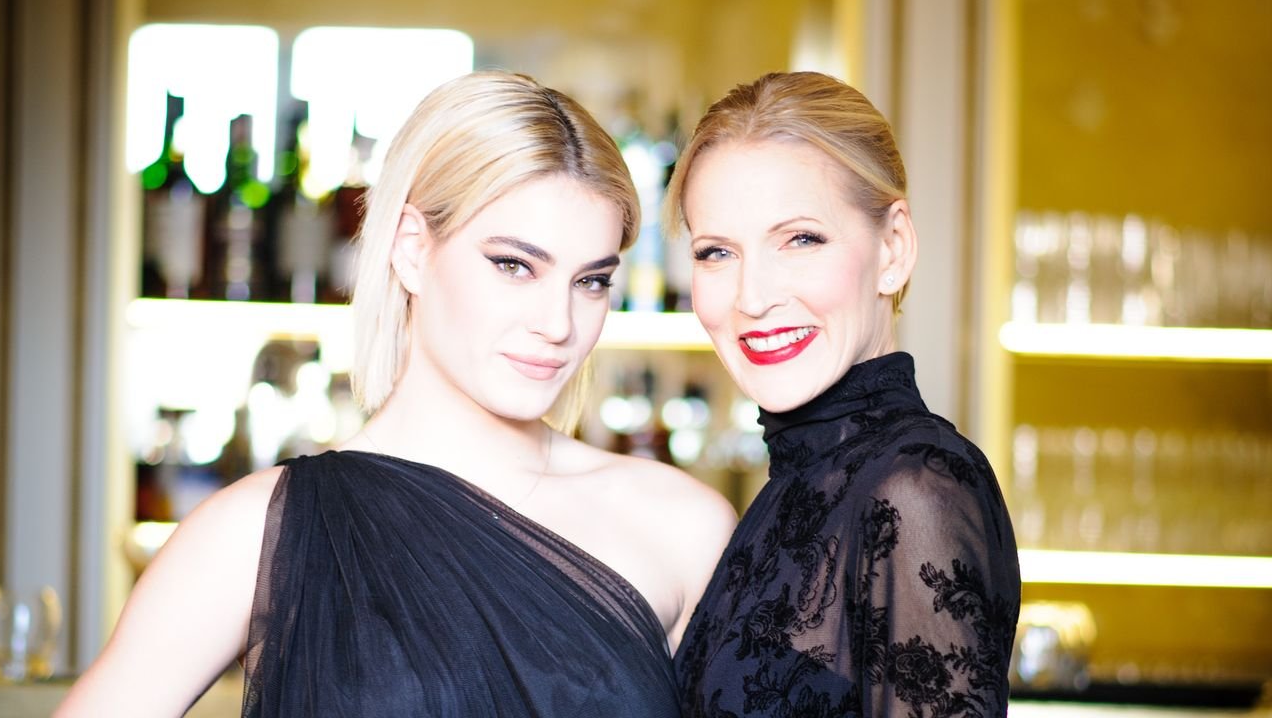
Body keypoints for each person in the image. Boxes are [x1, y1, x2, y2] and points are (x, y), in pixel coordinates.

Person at [58, 70, 735, 717]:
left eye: (590, 281)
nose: (558, 324)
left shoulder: (680, 526)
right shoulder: (254, 531)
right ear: (412, 249)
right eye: (514, 265)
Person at [665, 71, 1021, 717]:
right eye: (716, 252)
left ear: (893, 248)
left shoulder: (915, 486)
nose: (752, 297)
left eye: (801, 239)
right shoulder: (800, 486)